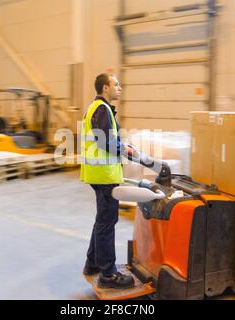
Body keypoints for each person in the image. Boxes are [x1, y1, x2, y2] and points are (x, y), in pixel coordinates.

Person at [80, 73, 139, 289]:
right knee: (107, 222)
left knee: (102, 220)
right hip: (104, 175)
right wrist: (124, 149)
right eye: (116, 84)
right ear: (105, 87)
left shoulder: (96, 108)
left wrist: (123, 148)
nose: (120, 88)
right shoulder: (102, 109)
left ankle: (93, 264)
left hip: (99, 174)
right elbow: (104, 141)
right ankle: (108, 274)